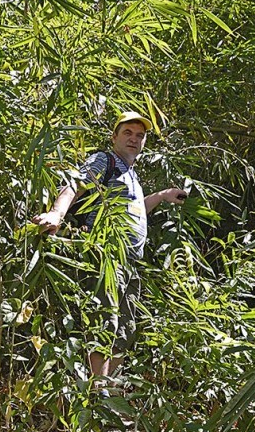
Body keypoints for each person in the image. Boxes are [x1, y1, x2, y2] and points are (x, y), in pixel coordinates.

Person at [32, 111, 187, 379]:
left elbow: (136, 210)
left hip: (129, 261)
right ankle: (97, 397)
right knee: (106, 322)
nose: (134, 139)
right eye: (127, 133)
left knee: (125, 330)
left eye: (140, 135)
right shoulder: (105, 160)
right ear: (114, 136)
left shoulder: (131, 174)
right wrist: (56, 214)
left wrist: (161, 196)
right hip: (106, 254)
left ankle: (106, 392)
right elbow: (74, 185)